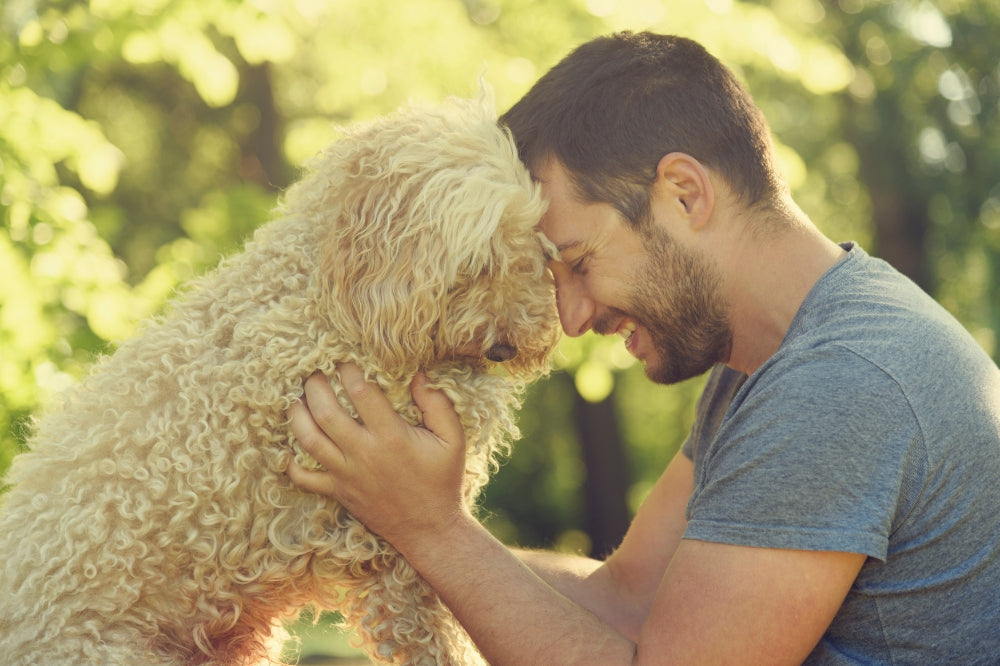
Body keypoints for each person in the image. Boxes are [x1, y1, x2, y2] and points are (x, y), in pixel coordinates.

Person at [287, 31, 1000, 664]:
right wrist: (384, 537)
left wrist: (435, 530)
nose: (569, 318)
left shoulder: (840, 385)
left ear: (684, 194)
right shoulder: (767, 367)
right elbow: (625, 597)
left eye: (580, 260)